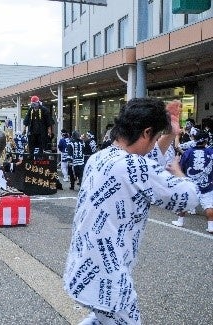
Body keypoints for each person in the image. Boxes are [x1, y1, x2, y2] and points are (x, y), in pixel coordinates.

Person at [63, 98, 199, 325]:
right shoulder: (134, 167)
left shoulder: (99, 158)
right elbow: (188, 198)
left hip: (84, 271)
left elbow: (145, 162)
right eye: (155, 137)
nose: (155, 142)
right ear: (146, 132)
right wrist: (177, 171)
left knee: (101, 319)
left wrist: (167, 134)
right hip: (110, 278)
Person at [171, 130, 213, 233]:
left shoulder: (188, 152)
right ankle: (211, 226)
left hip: (191, 183)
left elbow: (182, 166)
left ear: (194, 139)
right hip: (206, 184)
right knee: (208, 205)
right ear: (206, 140)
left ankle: (180, 221)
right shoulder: (211, 152)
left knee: (185, 201)